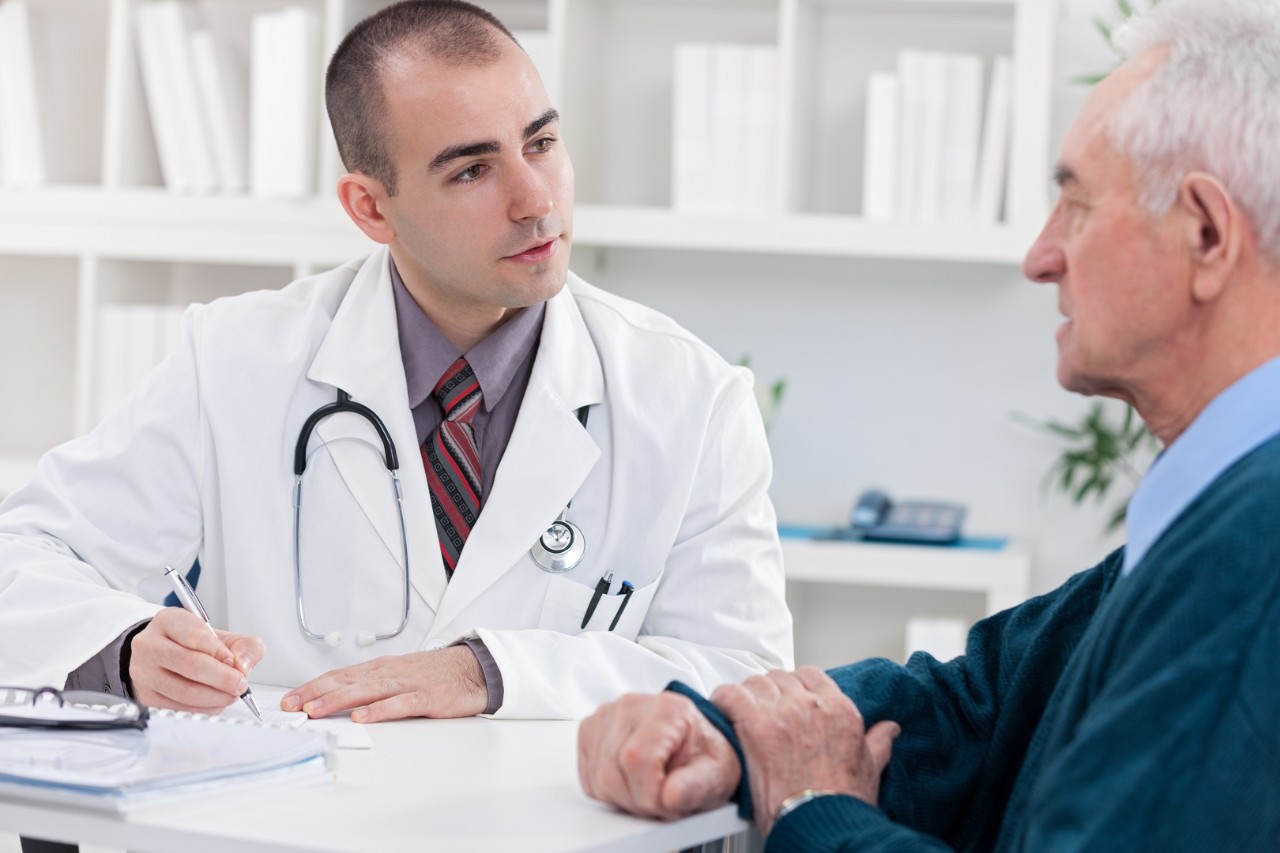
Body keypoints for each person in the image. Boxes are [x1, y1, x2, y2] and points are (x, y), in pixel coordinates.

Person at [577, 0, 1280, 847]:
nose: (1040, 255)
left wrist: (811, 809)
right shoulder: (1216, 512)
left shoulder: (1256, 550)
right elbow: (982, 705)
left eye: (1078, 206)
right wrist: (727, 733)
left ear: (1205, 233)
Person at [0, 0, 792, 722]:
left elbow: (751, 681)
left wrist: (496, 671)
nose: (536, 200)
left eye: (542, 143)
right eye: (473, 169)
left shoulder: (692, 398)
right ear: (371, 208)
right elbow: (25, 559)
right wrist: (129, 643)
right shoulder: (235, 360)